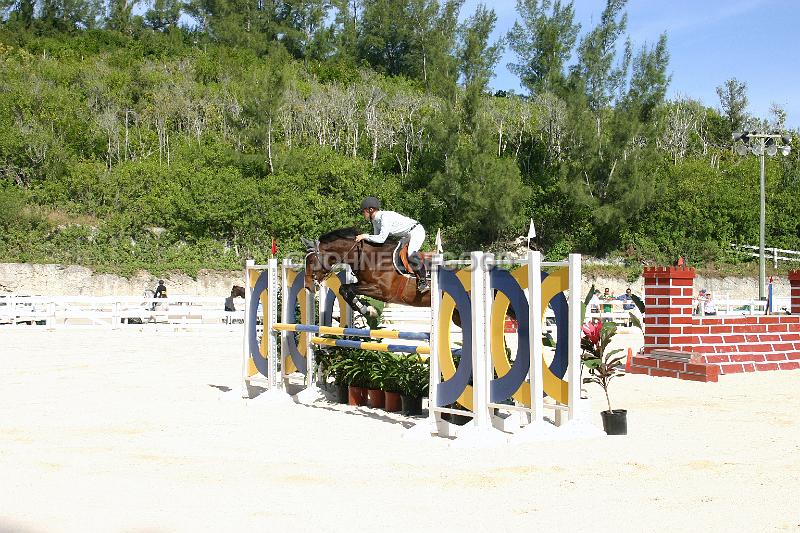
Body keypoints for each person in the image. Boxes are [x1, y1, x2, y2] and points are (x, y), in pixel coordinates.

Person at [355, 196, 429, 292]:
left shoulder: (385, 217)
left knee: (410, 253)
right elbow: (376, 239)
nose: (362, 213)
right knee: (396, 252)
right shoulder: (375, 221)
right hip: (406, 236)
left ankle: (424, 281)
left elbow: (381, 239)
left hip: (416, 231)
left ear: (371, 209)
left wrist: (364, 236)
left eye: (363, 211)